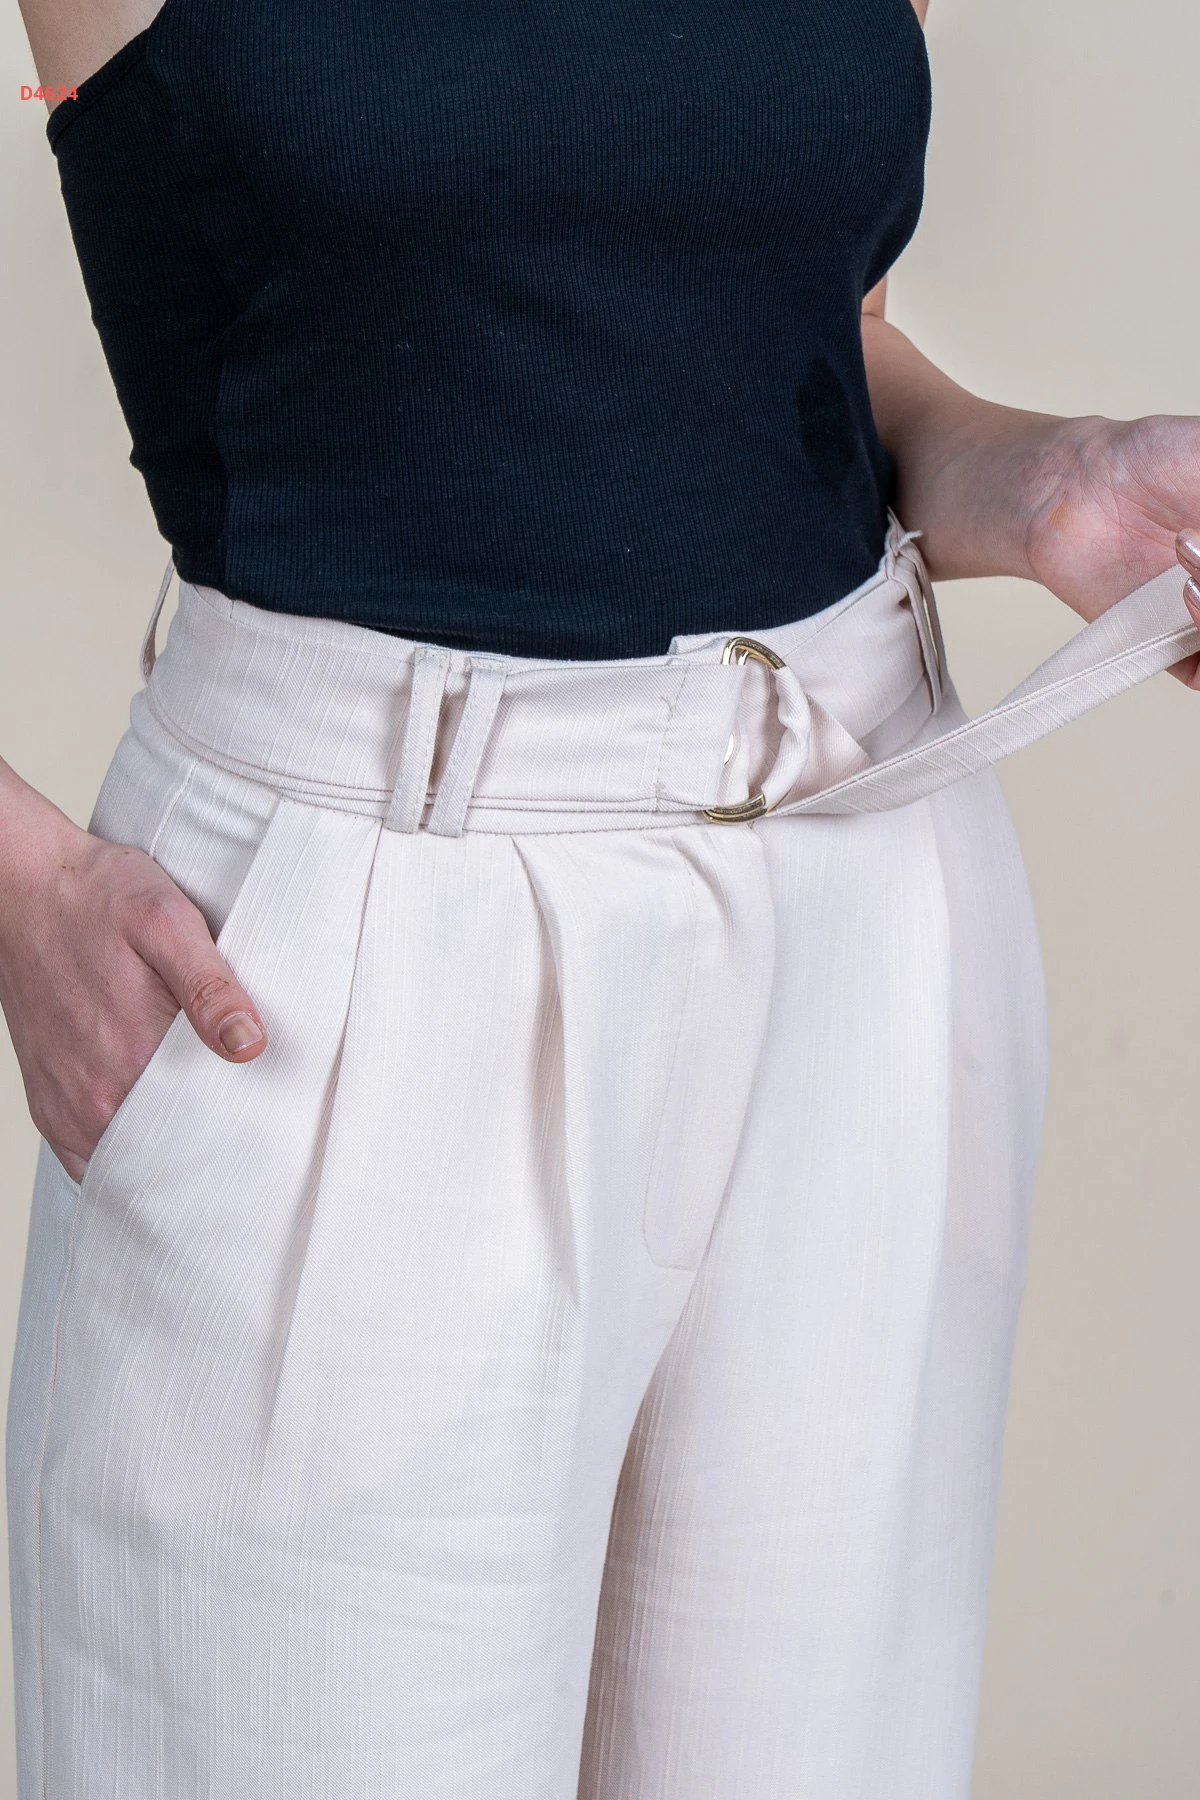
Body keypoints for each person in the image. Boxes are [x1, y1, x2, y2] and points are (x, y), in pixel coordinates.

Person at [3, 0, 1199, 1795]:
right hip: (350, 965)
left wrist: (1038, 478)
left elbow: (790, 339)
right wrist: (16, 883)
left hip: (860, 908)